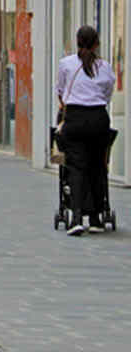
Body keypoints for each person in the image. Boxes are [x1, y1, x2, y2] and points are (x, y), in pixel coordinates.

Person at [56, 25, 115, 236]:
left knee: (77, 168)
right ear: (97, 43)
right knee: (98, 166)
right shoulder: (105, 67)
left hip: (75, 119)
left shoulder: (66, 64)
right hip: (98, 119)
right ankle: (97, 217)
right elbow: (108, 93)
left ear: (77, 42)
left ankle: (77, 217)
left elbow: (61, 92)